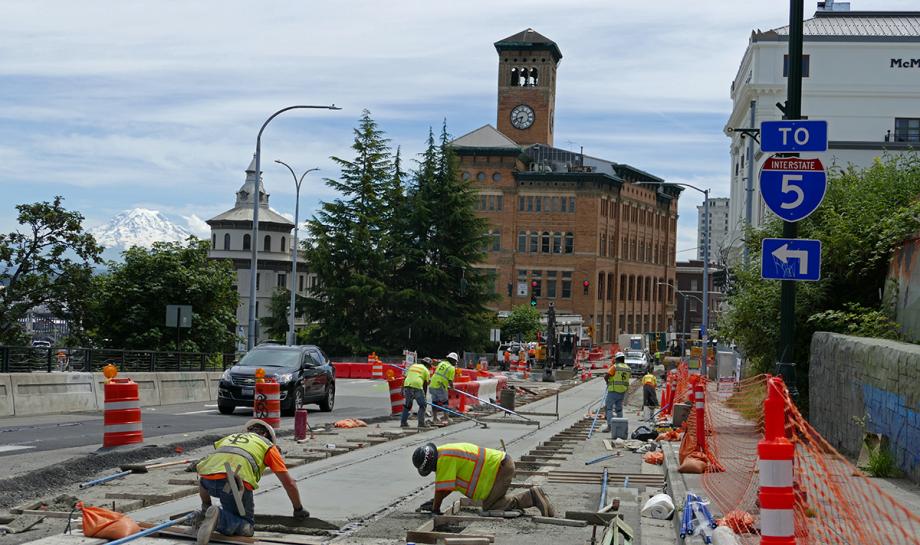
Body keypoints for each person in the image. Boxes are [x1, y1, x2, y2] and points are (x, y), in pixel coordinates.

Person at [194, 420, 307, 544]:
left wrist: (206, 504)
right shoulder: (268, 446)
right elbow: (289, 483)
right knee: (247, 527)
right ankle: (219, 517)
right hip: (233, 484)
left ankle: (205, 512)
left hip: (205, 480)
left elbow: (215, 461)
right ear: (265, 435)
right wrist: (298, 509)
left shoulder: (230, 437)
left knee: (221, 503)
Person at [412, 442, 556, 517]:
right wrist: (435, 503)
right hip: (501, 466)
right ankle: (534, 497)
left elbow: (443, 488)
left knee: (491, 506)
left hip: (500, 469)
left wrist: (435, 509)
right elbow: (449, 486)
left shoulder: (444, 460)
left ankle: (531, 497)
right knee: (492, 503)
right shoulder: (444, 453)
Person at [603, 352, 631, 432]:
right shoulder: (628, 368)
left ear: (617, 359)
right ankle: (620, 426)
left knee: (609, 408)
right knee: (619, 409)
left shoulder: (615, 367)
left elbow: (606, 376)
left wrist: (608, 383)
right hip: (622, 391)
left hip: (613, 390)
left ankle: (610, 426)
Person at [400, 359, 431, 428]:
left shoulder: (413, 366)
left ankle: (403, 423)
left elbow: (405, 378)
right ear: (428, 365)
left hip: (407, 385)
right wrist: (424, 396)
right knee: (423, 405)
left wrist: (402, 390)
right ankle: (421, 423)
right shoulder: (426, 370)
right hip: (417, 386)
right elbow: (425, 385)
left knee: (407, 406)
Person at [430, 353, 458, 425]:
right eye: (455, 361)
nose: (455, 363)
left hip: (433, 383)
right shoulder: (451, 368)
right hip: (440, 385)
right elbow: (450, 380)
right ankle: (446, 418)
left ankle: (435, 418)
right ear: (452, 360)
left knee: (434, 402)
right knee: (445, 402)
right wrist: (452, 388)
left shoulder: (441, 363)